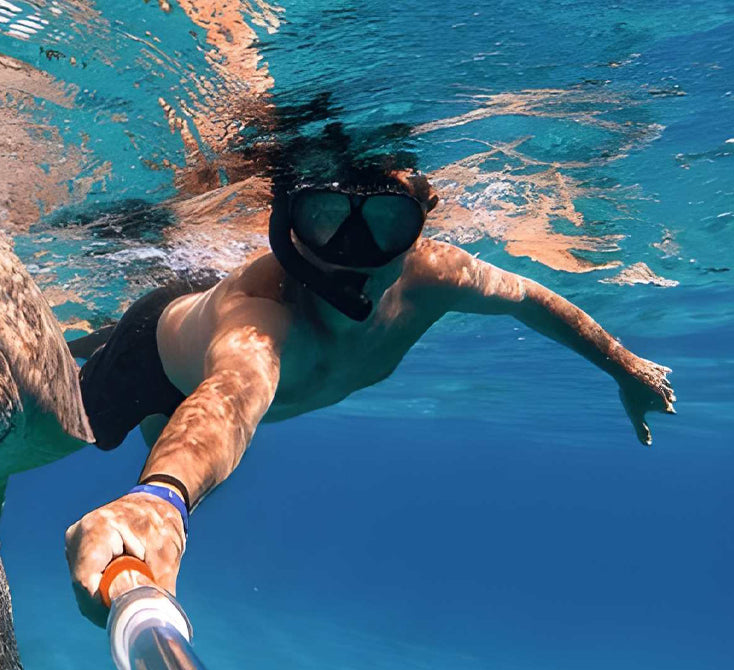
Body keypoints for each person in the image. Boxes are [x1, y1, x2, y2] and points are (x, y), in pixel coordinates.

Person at [65, 162, 676, 624]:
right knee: (52, 428)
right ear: (291, 229)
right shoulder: (264, 309)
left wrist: (623, 367)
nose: (353, 254)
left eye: (386, 223)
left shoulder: (433, 275)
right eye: (326, 220)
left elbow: (531, 300)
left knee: (150, 435)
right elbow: (232, 389)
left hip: (190, 367)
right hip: (151, 356)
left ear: (416, 229)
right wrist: (162, 499)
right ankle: (97, 339)